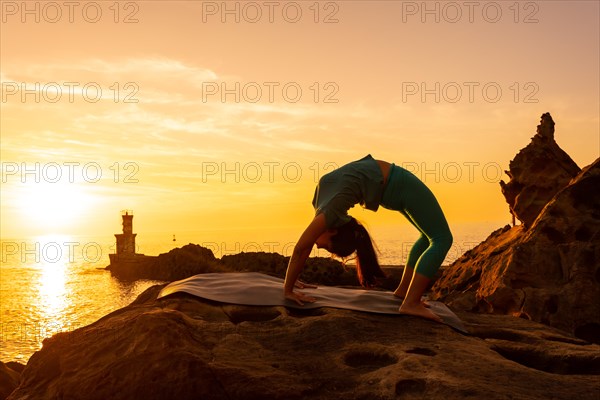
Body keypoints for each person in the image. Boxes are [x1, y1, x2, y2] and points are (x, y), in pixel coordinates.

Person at [283, 154, 453, 322]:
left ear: (333, 231)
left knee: (429, 237)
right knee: (441, 239)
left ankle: (404, 293)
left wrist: (288, 288)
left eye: (327, 247)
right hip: (397, 185)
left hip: (396, 185)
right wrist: (289, 286)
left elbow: (301, 249)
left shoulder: (327, 210)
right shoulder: (327, 210)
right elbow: (302, 250)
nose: (319, 247)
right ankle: (411, 303)